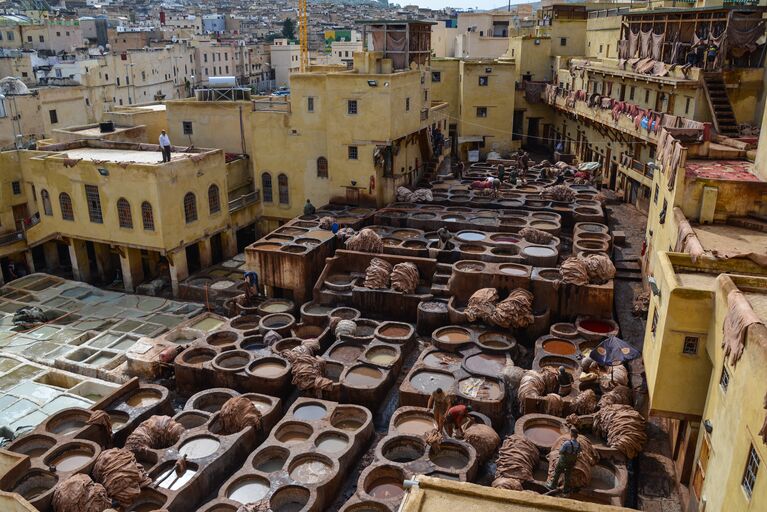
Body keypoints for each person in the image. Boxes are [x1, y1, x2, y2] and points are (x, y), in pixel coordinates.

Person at [547, 427, 581, 493]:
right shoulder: (579, 445)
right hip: (572, 462)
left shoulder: (567, 443)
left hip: (563, 461)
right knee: (568, 475)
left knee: (557, 472)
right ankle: (565, 489)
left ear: (571, 434)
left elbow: (560, 451)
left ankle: (553, 485)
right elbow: (579, 452)